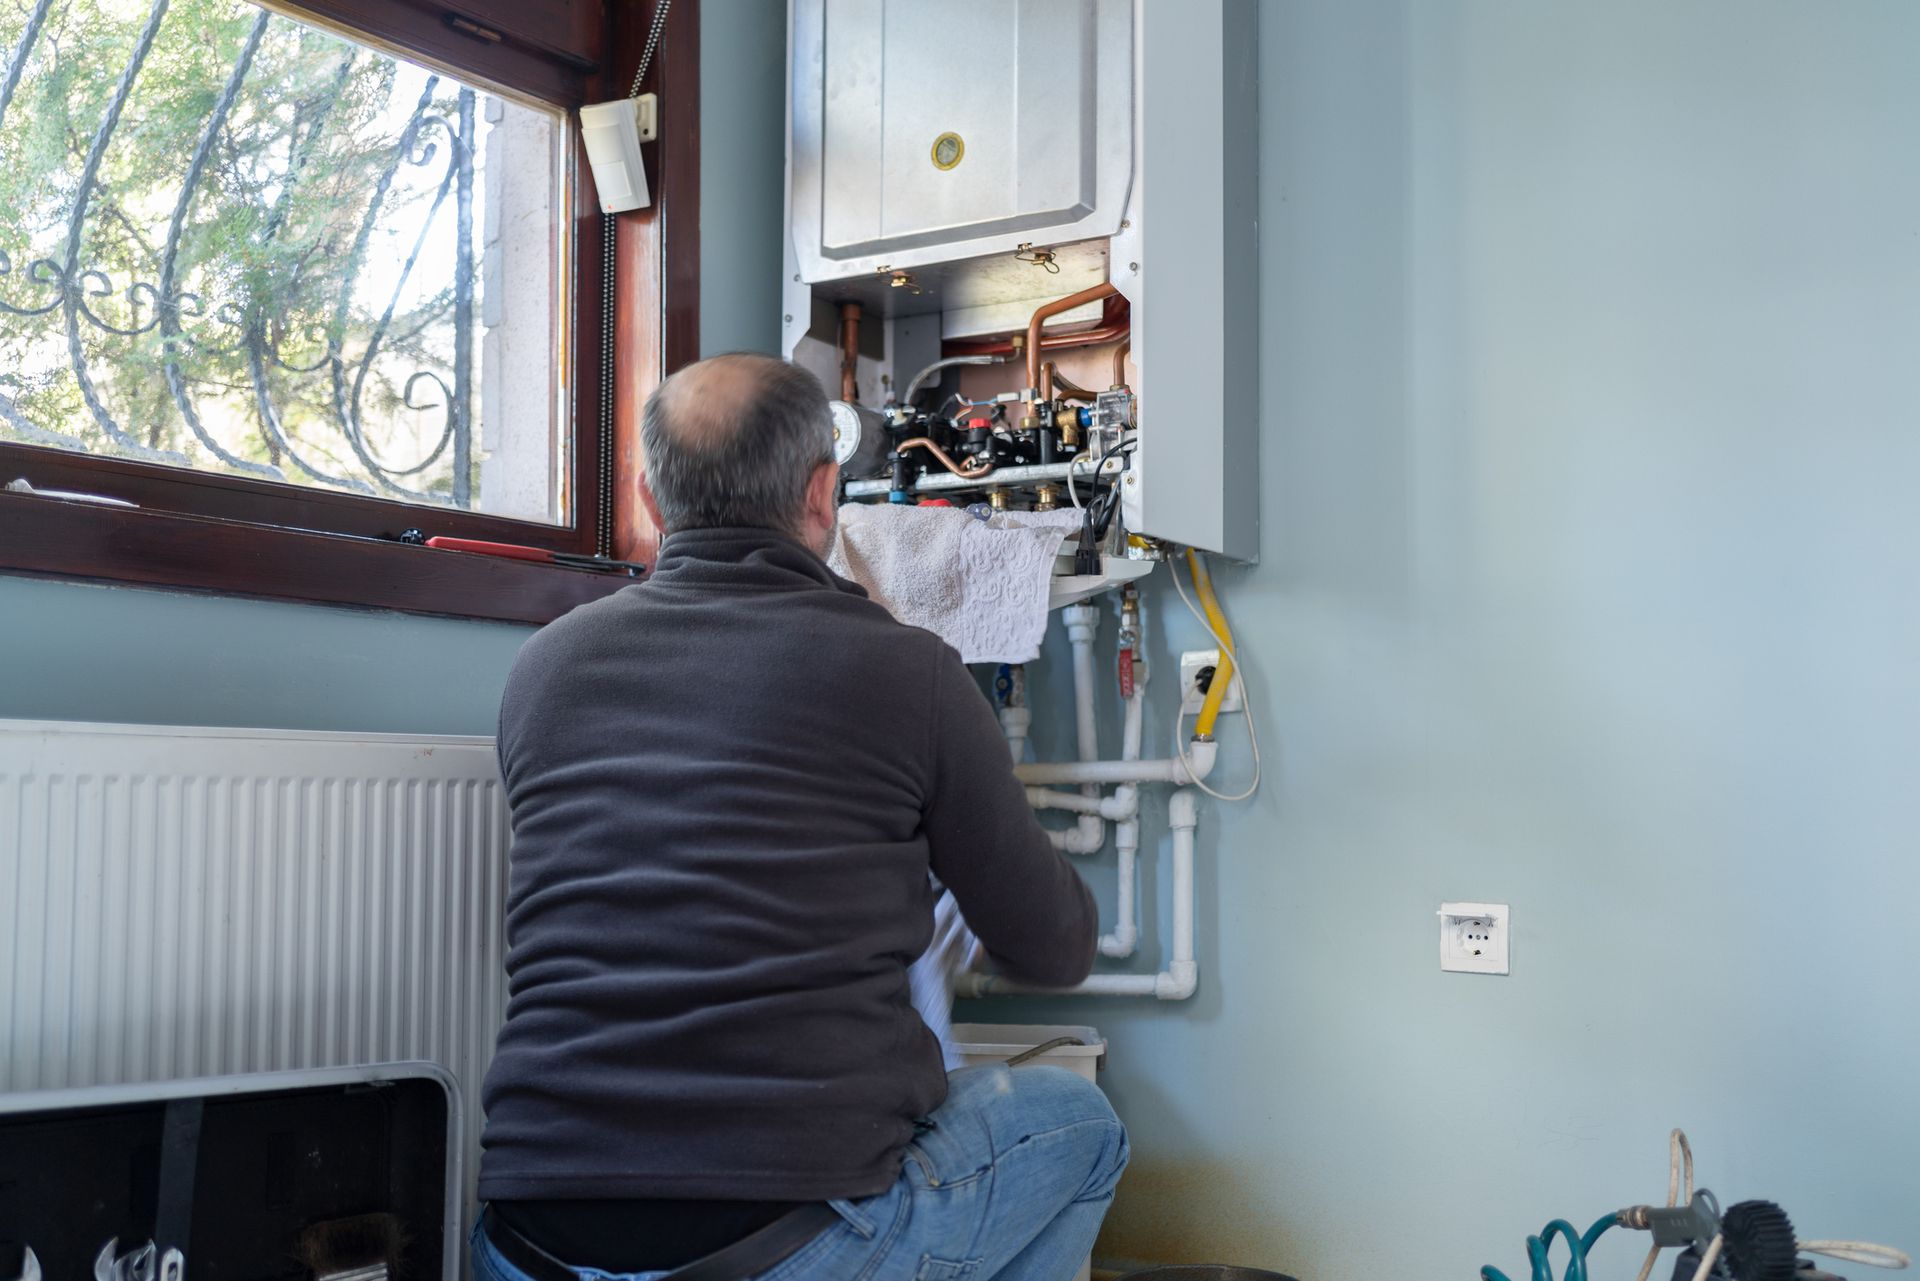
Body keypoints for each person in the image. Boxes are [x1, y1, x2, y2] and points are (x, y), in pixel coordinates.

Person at [473, 352, 1126, 1281]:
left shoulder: (544, 668)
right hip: (780, 1247)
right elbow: (1055, 949)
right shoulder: (909, 672)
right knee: (1080, 1126)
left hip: (525, 1243)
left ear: (653, 502)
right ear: (825, 496)